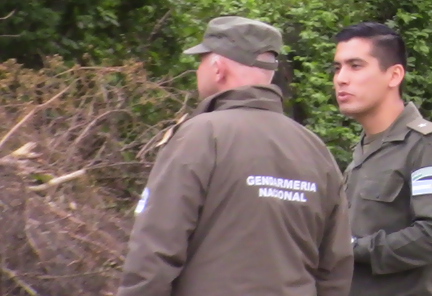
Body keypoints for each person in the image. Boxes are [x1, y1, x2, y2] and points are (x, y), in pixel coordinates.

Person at [119, 16, 353, 296]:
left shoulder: (199, 136)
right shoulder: (315, 149)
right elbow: (335, 268)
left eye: (201, 61)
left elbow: (154, 251)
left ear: (218, 69)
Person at [333, 22, 432, 296]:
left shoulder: (426, 145)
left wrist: (352, 248)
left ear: (394, 75)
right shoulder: (365, 146)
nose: (341, 78)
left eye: (355, 66)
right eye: (337, 68)